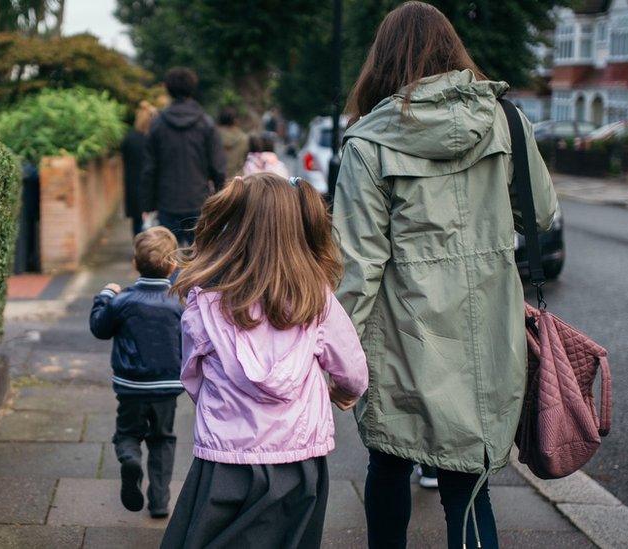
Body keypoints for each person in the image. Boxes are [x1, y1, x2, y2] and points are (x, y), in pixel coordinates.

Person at [332, 3, 559, 549]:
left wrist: (333, 356)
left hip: (402, 341)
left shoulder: (369, 142)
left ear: (382, 60)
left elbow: (358, 265)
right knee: (469, 483)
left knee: (388, 466)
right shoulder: (505, 120)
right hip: (488, 336)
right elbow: (540, 215)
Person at [162, 173, 369, 548]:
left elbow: (191, 377)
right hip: (299, 459)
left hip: (223, 458)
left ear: (234, 225)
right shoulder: (316, 300)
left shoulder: (205, 301)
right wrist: (343, 391)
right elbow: (353, 371)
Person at [89, 226, 185, 519]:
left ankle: (130, 458)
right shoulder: (178, 303)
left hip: (131, 385)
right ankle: (159, 502)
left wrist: (105, 294)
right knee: (162, 439)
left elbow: (99, 328)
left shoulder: (123, 301)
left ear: (134, 263)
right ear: (173, 266)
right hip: (167, 386)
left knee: (127, 434)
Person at [141, 67, 226, 247]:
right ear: (192, 88)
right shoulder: (205, 123)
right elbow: (218, 167)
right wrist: (220, 200)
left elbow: (149, 168)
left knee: (167, 258)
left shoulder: (157, 125)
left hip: (167, 202)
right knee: (202, 259)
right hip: (199, 201)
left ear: (168, 89)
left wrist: (148, 205)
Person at [121, 101, 158, 235]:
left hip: (133, 187)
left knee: (137, 225)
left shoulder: (129, 138)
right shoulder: (155, 139)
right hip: (152, 188)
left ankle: (139, 252)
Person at [216, 106, 249, 180]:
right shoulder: (243, 138)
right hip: (237, 180)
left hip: (218, 180)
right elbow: (244, 160)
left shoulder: (213, 137)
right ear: (235, 120)